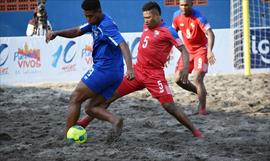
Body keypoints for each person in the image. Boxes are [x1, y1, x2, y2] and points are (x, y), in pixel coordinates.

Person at [77, 1, 203, 139]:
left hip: (154, 76)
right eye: (144, 18)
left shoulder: (168, 31)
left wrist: (185, 68)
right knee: (108, 97)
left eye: (148, 17)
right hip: (137, 72)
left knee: (169, 106)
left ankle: (195, 131)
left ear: (157, 16)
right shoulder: (146, 25)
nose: (146, 21)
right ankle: (84, 122)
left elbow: (183, 50)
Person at [45, 0, 135, 138]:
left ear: (99, 11)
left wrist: (130, 69)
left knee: (75, 98)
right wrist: (56, 33)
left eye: (90, 16)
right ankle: (115, 120)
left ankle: (68, 136)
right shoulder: (95, 21)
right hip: (115, 73)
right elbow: (77, 31)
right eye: (86, 16)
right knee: (90, 108)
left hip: (105, 69)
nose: (88, 19)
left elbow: (123, 44)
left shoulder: (106, 25)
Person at [172, 0, 216, 115]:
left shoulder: (199, 17)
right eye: (181, 5)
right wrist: (167, 52)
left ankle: (202, 109)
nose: (184, 7)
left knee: (197, 78)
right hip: (187, 52)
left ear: (192, 4)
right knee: (177, 79)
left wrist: (209, 51)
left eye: (186, 5)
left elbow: (210, 33)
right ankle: (199, 92)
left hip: (201, 50)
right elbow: (172, 34)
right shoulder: (176, 16)